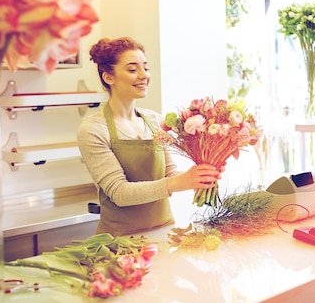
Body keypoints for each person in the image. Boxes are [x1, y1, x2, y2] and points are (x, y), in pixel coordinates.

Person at [77, 36, 221, 236]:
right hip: (120, 241)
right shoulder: (93, 129)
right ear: (108, 77)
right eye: (132, 69)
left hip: (165, 232)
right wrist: (182, 182)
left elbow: (170, 174)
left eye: (145, 68)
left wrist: (199, 176)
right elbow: (120, 193)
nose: (143, 75)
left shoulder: (154, 121)